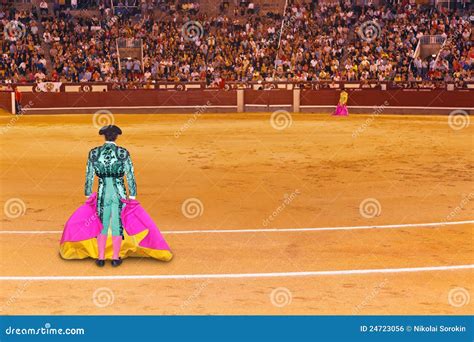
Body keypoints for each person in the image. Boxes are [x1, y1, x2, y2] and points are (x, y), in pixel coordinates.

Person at [85, 125, 136, 267]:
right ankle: (115, 258)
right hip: (119, 191)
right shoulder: (122, 153)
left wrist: (88, 193)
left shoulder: (94, 153)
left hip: (102, 191)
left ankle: (100, 258)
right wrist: (132, 195)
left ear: (104, 136)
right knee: (117, 223)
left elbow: (89, 175)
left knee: (102, 222)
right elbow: (130, 174)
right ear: (116, 136)